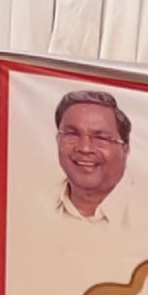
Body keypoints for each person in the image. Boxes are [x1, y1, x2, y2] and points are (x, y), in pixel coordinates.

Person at [53, 85, 127, 224]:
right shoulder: (31, 205)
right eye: (72, 134)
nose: (85, 148)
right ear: (58, 140)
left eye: (101, 138)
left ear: (125, 149)